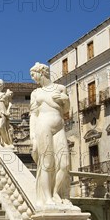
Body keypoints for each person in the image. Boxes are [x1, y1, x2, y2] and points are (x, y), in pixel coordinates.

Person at [29, 62, 72, 209]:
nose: (33, 78)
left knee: (64, 163)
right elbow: (33, 115)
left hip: (59, 126)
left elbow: (66, 110)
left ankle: (56, 193)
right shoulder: (36, 93)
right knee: (47, 163)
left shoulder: (60, 88)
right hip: (43, 126)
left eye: (33, 75)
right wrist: (32, 137)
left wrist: (66, 100)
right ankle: (47, 198)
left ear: (41, 72)